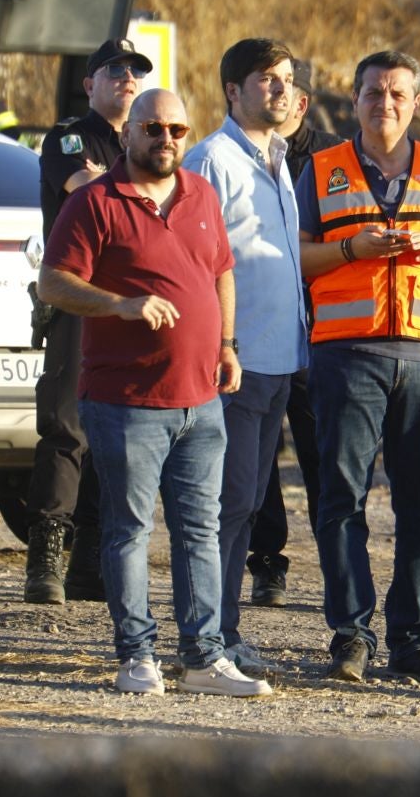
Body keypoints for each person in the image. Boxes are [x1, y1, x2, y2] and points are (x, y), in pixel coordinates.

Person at [37, 88, 271, 698]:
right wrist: (122, 304)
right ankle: (136, 655)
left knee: (200, 530)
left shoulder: (201, 195)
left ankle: (202, 659)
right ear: (127, 134)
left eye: (176, 130)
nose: (165, 139)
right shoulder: (95, 202)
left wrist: (226, 345)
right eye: (153, 128)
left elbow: (219, 270)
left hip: (202, 398)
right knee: (129, 530)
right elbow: (54, 283)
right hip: (125, 401)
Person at [297, 50, 420, 684]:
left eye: (398, 93)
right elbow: (296, 258)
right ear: (353, 101)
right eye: (374, 92)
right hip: (345, 357)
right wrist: (353, 247)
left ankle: (413, 637)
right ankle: (350, 636)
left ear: (416, 101)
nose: (386, 103)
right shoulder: (321, 168)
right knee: (341, 499)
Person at [182, 38, 308, 676]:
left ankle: (222, 631)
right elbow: (191, 268)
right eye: (265, 80)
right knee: (221, 506)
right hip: (232, 363)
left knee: (247, 506)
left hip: (278, 361)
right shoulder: (211, 161)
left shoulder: (279, 161)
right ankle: (206, 639)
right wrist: (219, 348)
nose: (280, 90)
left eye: (286, 78)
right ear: (233, 91)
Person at [24, 38, 149, 604]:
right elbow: (90, 194)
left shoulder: (145, 139)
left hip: (133, 302)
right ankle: (46, 560)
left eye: (134, 72)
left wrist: (119, 182)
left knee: (117, 432)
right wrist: (128, 187)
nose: (127, 79)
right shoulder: (71, 136)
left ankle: (92, 562)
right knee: (66, 427)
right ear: (90, 84)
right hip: (79, 294)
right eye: (115, 71)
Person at [247, 78, 343, 607]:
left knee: (321, 449)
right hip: (262, 318)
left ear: (302, 103)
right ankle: (266, 562)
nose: (276, 98)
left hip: (321, 323)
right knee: (260, 452)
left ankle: (337, 560)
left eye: (286, 90)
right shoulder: (239, 154)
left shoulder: (334, 157)